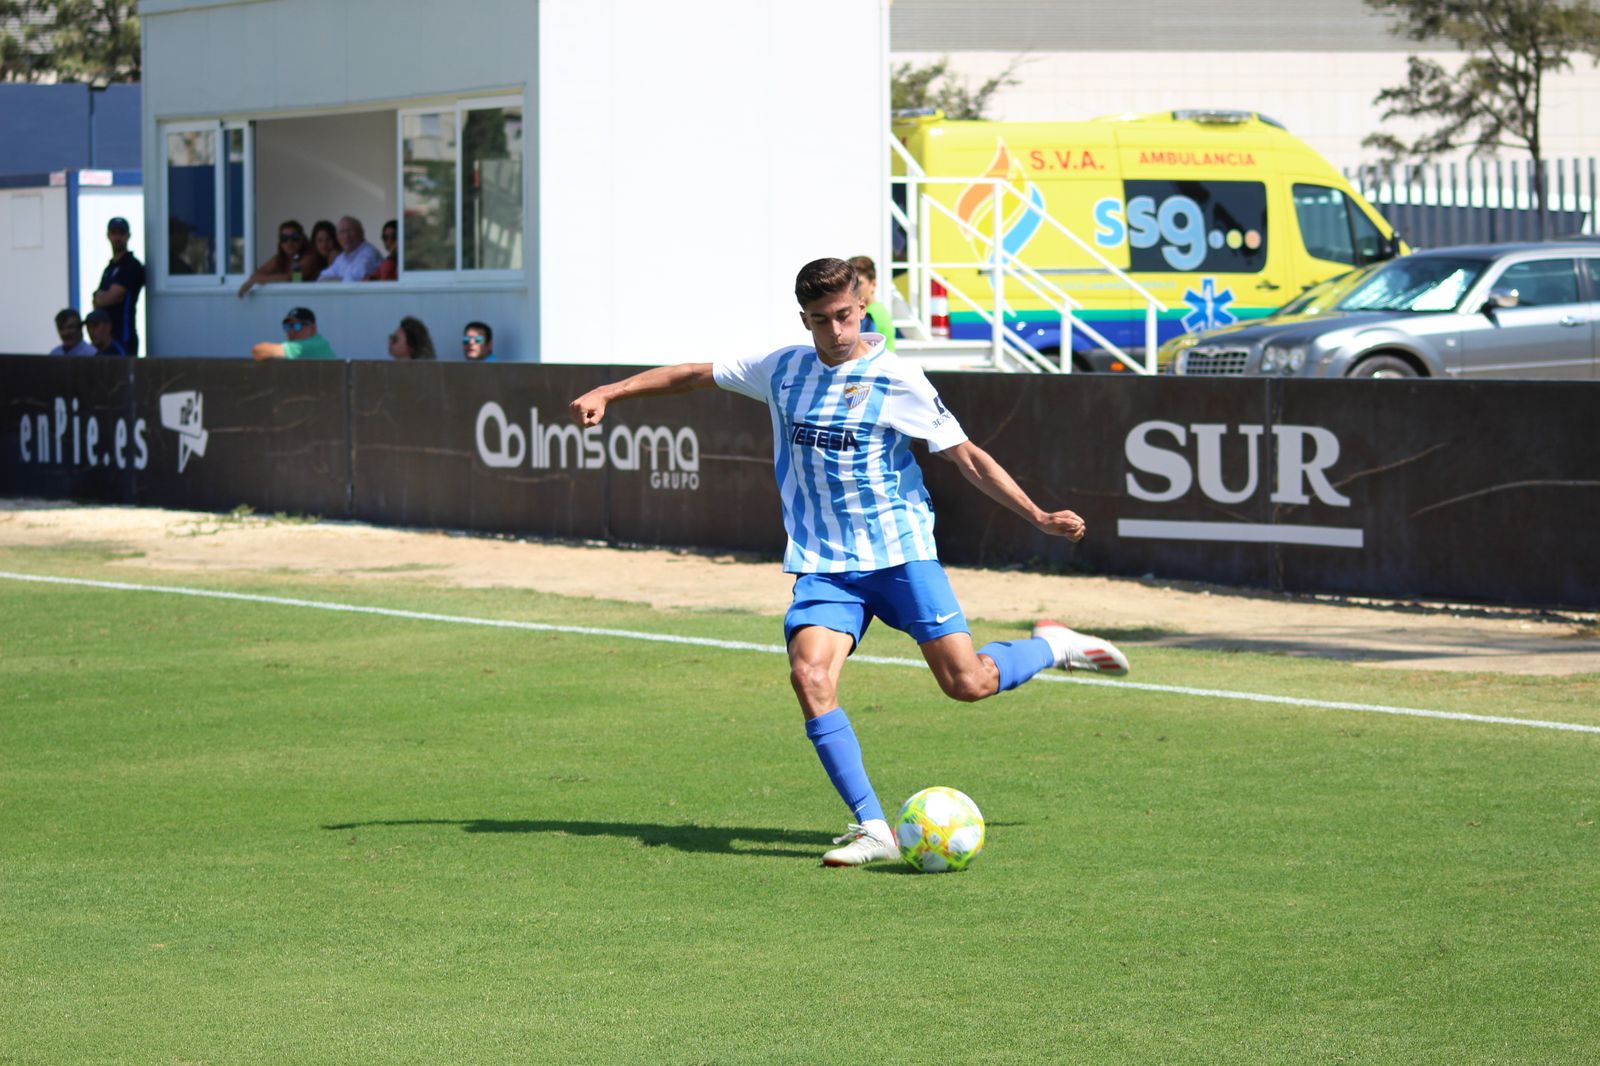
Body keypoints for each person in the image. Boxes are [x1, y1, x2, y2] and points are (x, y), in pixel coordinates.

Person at [568, 257, 1129, 868]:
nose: (833, 331)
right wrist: (610, 390)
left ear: (861, 306)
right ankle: (873, 828)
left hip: (900, 555)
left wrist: (1039, 516)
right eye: (818, 320)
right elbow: (692, 375)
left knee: (966, 684)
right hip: (825, 565)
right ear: (803, 319)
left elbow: (966, 456)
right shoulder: (782, 369)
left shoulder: (897, 378)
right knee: (809, 677)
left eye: (842, 316)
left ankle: (1053, 646)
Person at [93, 216, 144, 356]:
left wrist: (102, 297)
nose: (117, 237)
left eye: (121, 233)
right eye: (114, 233)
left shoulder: (131, 265)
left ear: (128, 236)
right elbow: (97, 301)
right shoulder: (109, 268)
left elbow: (110, 298)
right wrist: (101, 298)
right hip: (106, 338)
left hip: (123, 336)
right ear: (108, 235)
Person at [237, 220, 315, 298]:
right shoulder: (279, 258)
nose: (289, 242)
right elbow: (256, 275)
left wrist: (255, 281)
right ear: (280, 242)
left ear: (302, 239)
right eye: (284, 238)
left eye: (294, 238)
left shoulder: (310, 257)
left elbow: (289, 278)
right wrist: (255, 280)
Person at [251, 306, 338, 361]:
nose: (291, 331)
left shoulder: (311, 346)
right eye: (287, 326)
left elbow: (258, 351)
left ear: (312, 328)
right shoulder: (317, 343)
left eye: (297, 326)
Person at [848, 254, 895, 353]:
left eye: (859, 283)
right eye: (850, 283)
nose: (853, 288)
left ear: (873, 284)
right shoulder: (877, 310)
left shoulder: (871, 315)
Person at [318, 216, 384, 282]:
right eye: (342, 232)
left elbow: (354, 280)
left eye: (350, 231)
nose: (346, 236)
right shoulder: (342, 256)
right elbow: (323, 277)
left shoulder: (369, 253)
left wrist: (336, 280)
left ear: (361, 232)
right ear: (337, 237)